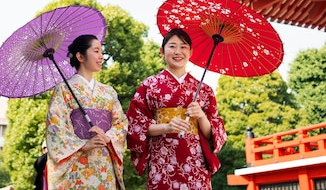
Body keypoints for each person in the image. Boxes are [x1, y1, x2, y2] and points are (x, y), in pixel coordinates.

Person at [126, 28, 227, 190]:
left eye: (183, 46)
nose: (178, 51)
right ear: (162, 51)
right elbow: (134, 125)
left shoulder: (205, 90)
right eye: (172, 46)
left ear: (191, 51)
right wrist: (167, 127)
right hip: (162, 158)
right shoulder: (148, 85)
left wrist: (201, 116)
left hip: (195, 160)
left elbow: (213, 133)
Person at [45, 34, 127, 189]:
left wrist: (108, 137)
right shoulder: (63, 89)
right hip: (76, 163)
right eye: (96, 51)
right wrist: (83, 144)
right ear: (80, 56)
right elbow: (55, 127)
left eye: (101, 52)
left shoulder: (108, 91)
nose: (101, 57)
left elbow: (121, 123)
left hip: (103, 160)